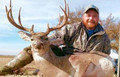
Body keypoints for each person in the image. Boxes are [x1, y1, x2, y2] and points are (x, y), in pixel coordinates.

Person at [0, 4, 111, 75]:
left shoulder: (104, 37)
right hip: (66, 59)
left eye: (94, 16)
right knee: (37, 46)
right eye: (88, 15)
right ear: (83, 17)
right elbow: (55, 38)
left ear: (98, 18)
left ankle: (41, 71)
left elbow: (104, 55)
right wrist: (41, 40)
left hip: (88, 64)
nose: (91, 18)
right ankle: (6, 69)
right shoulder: (72, 28)